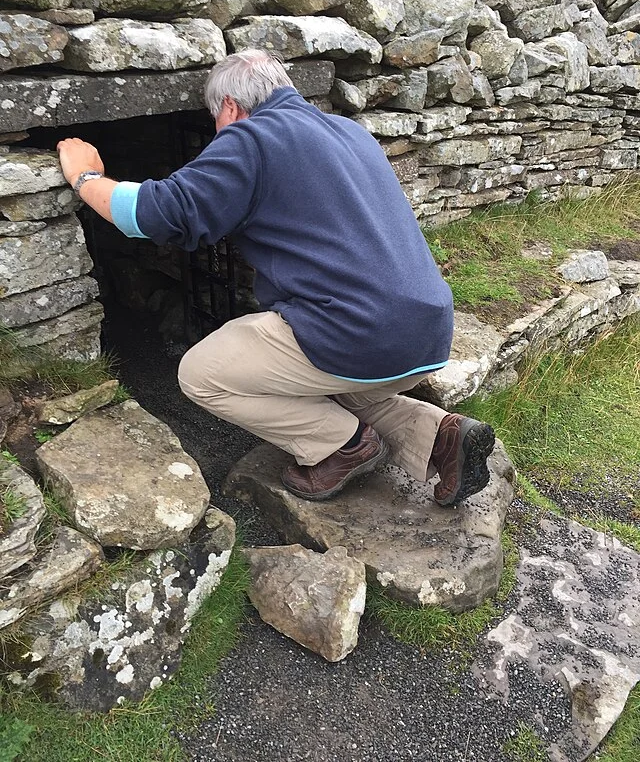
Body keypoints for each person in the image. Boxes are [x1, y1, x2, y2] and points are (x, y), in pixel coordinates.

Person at [57, 48, 495, 505]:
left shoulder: (251, 136)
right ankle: (441, 439)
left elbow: (156, 214)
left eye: (215, 121)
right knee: (327, 380)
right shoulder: (350, 133)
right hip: (424, 335)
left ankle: (341, 447)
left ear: (229, 107)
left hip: (356, 332)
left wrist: (86, 175)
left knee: (203, 374)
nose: (217, 134)